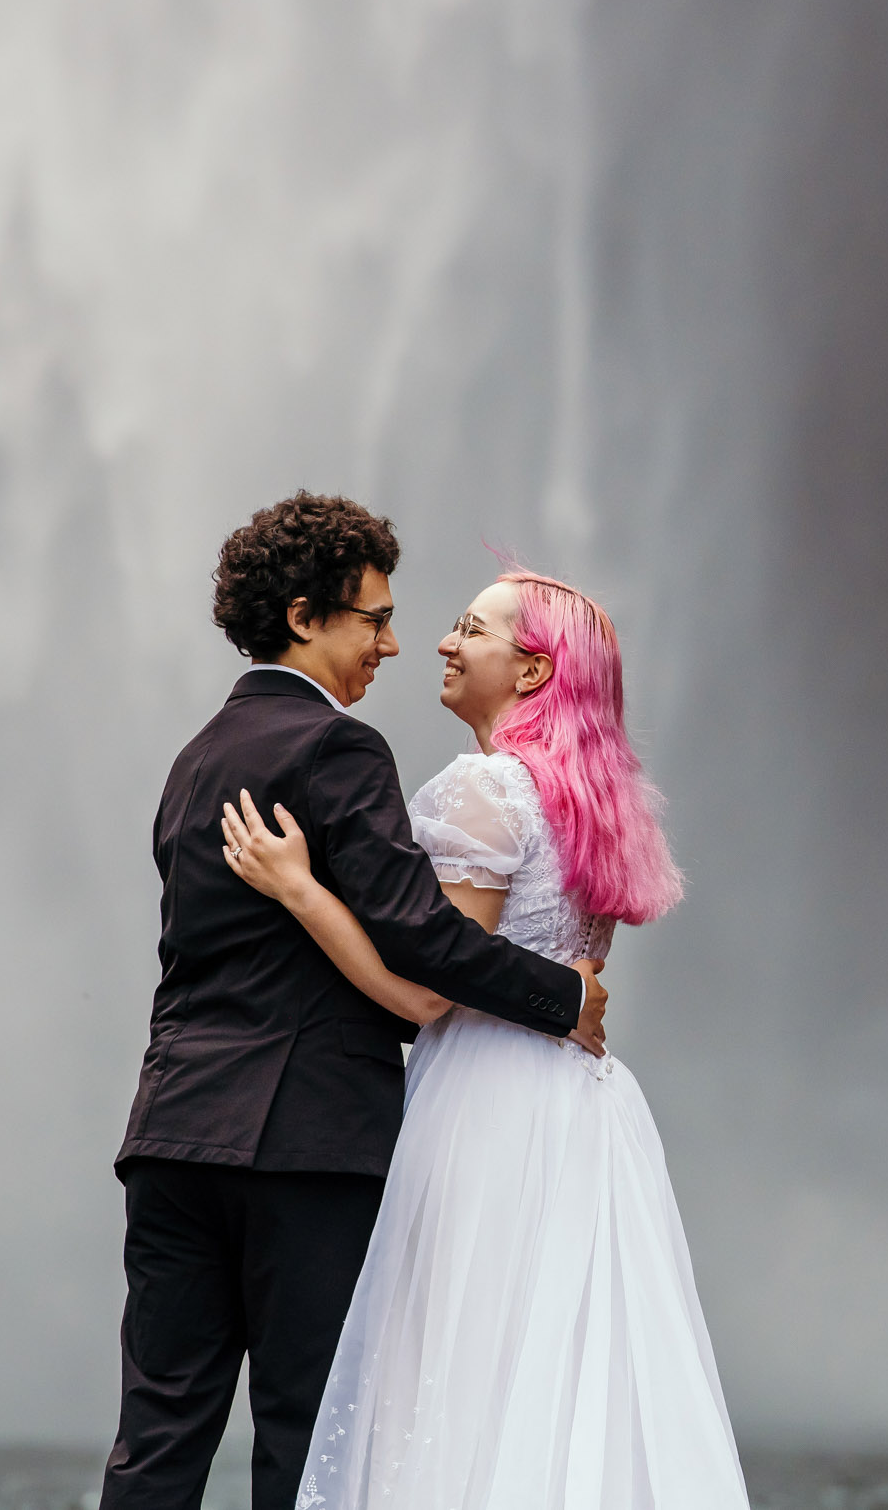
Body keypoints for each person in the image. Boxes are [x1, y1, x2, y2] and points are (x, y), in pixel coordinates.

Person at [102, 495, 609, 1510]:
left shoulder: (192, 760)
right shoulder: (340, 749)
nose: (392, 641)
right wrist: (565, 994)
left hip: (171, 1135)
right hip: (306, 1143)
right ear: (302, 616)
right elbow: (418, 932)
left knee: (158, 1435)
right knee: (307, 1430)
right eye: (371, 617)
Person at [219, 566, 750, 1510]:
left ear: (534, 672)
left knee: (459, 1359)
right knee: (562, 1363)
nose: (441, 641)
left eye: (471, 628)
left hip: (485, 1104)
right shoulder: (596, 802)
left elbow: (423, 993)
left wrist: (298, 888)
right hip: (588, 1107)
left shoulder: (486, 787)